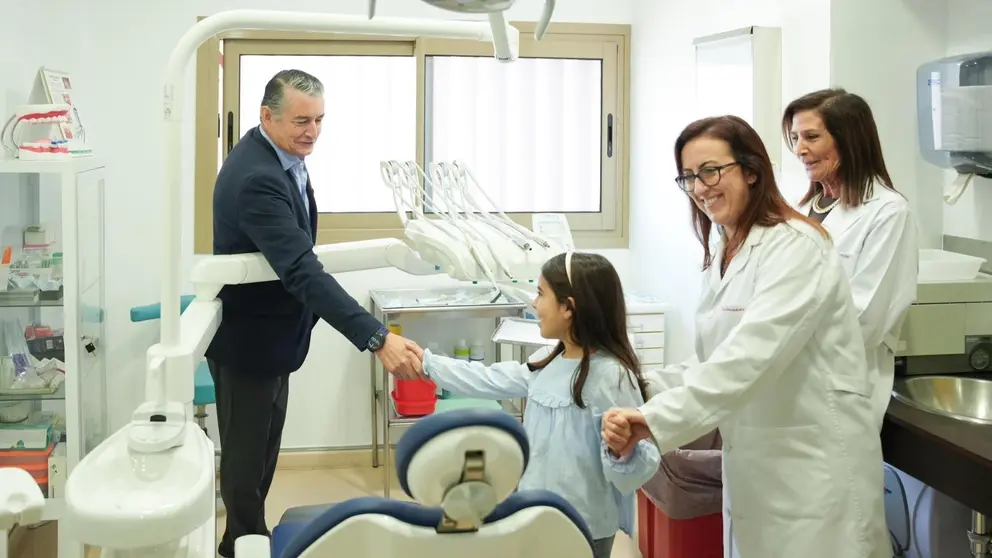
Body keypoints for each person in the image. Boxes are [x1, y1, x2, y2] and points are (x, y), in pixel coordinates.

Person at [600, 115, 889, 558]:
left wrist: (653, 421)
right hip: (757, 467)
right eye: (689, 177)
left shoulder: (796, 246)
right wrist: (637, 385)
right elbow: (711, 360)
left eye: (711, 170)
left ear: (751, 171)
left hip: (812, 469)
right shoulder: (725, 249)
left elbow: (748, 358)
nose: (700, 187)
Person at [206, 69, 422, 558]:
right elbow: (302, 269)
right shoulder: (257, 178)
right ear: (267, 116)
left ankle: (245, 538)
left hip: (276, 339)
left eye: (320, 120)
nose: (313, 131)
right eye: (302, 120)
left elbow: (298, 254)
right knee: (245, 468)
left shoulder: (277, 153)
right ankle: (239, 543)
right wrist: (376, 337)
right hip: (249, 345)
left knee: (261, 460)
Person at [410, 252, 660, 558]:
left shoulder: (611, 376)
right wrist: (426, 362)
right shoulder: (548, 365)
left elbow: (635, 469)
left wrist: (623, 450)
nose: (534, 304)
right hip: (535, 515)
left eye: (541, 294)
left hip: (583, 527)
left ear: (569, 307)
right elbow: (487, 379)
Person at [783, 88, 919, 429]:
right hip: (788, 382)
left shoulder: (888, 212)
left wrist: (778, 342)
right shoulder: (800, 209)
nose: (800, 149)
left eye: (812, 137)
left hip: (838, 389)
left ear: (849, 140)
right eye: (796, 137)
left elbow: (864, 319)